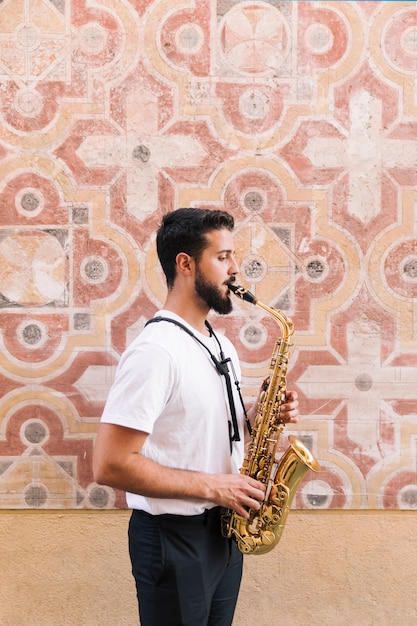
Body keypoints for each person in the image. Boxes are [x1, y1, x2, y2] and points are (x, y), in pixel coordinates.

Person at [93, 208, 299, 626]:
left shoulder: (219, 343)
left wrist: (260, 416)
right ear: (185, 264)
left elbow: (199, 428)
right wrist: (213, 486)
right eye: (222, 257)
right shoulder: (155, 351)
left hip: (223, 533)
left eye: (233, 255)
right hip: (174, 539)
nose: (235, 268)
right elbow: (109, 463)